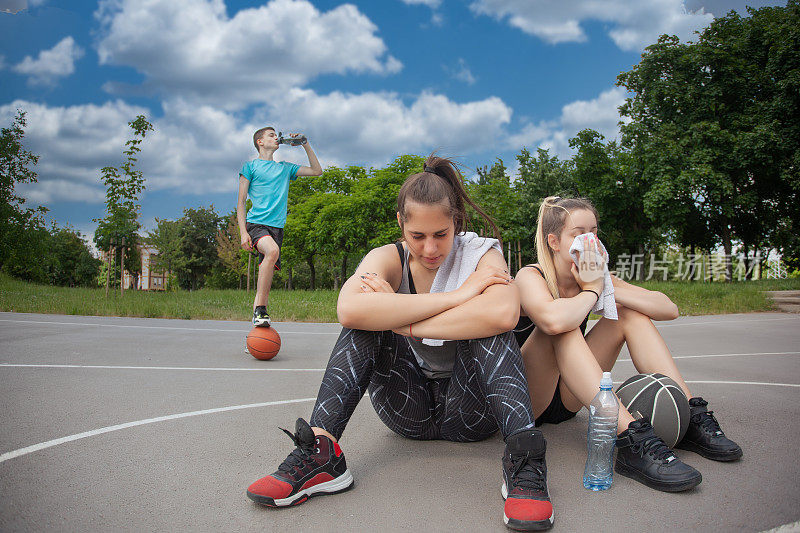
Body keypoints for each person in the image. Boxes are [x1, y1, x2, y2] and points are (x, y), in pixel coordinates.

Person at [246, 156, 555, 531]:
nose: (429, 249)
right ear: (400, 224)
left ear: (456, 221)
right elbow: (349, 310)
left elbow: (504, 315)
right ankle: (321, 453)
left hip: (471, 411)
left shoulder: (480, 253)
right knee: (363, 326)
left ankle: (523, 461)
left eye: (441, 234)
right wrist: (462, 295)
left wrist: (401, 318)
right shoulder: (387, 257)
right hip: (406, 408)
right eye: (417, 236)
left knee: (490, 329)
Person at [514, 196, 742, 493]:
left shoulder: (595, 279)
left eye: (594, 232)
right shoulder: (530, 276)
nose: (589, 240)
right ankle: (632, 441)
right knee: (561, 327)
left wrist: (607, 289)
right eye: (578, 233)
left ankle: (691, 416)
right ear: (555, 242)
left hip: (568, 398)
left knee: (628, 314)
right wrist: (594, 291)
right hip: (527, 400)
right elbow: (554, 321)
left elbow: (668, 308)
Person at [237, 127, 322, 327]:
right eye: (271, 135)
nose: (276, 138)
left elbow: (317, 171)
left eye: (276, 135)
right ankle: (261, 308)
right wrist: (242, 232)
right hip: (256, 224)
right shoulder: (250, 167)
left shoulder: (285, 168)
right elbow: (241, 202)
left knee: (269, 263)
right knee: (272, 251)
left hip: (277, 229)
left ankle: (257, 321)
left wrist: (305, 144)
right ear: (260, 141)